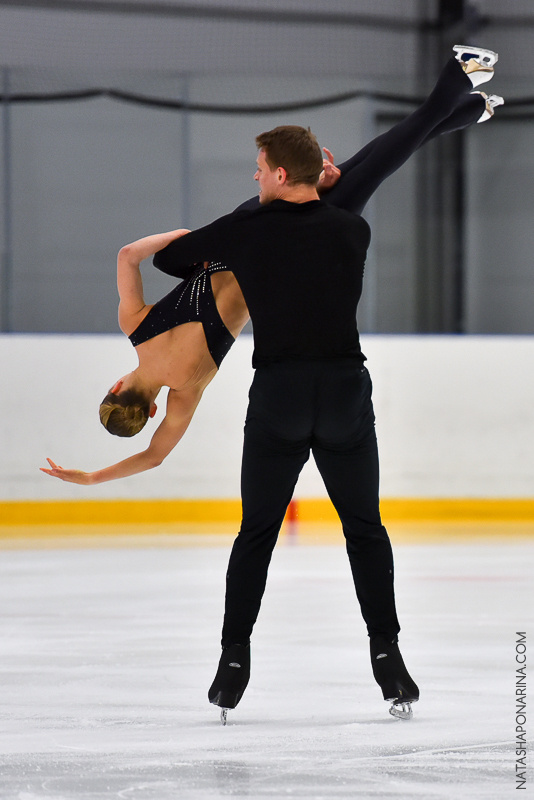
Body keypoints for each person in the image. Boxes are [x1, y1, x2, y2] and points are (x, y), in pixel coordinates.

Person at [147, 45, 501, 722]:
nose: (253, 178)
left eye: (259, 170)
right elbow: (333, 197)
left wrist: (241, 221)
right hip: (343, 396)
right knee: (365, 531)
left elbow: (171, 261)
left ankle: (233, 661)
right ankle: (388, 657)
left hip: (279, 397)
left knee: (257, 533)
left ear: (280, 175)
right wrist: (312, 185)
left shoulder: (246, 232)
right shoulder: (351, 231)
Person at [41, 47, 501, 490]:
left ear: (152, 410)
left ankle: (464, 87)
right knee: (366, 165)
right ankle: (469, 104)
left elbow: (155, 456)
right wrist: (185, 237)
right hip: (249, 225)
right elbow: (128, 254)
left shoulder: (187, 389)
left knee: (373, 167)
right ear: (115, 385)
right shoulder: (134, 324)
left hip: (279, 249)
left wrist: (92, 477)